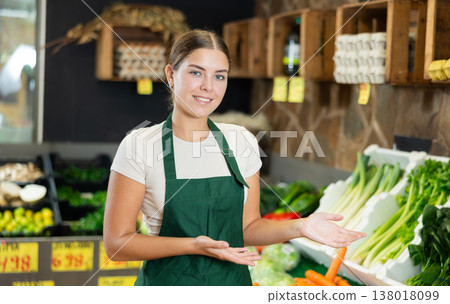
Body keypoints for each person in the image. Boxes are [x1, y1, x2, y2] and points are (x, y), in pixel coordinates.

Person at [103, 29, 366, 286]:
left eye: (219, 76)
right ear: (171, 75)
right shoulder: (140, 145)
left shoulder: (241, 141)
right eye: (196, 72)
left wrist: (301, 227)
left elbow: (248, 228)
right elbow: (117, 245)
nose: (208, 87)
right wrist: (194, 245)